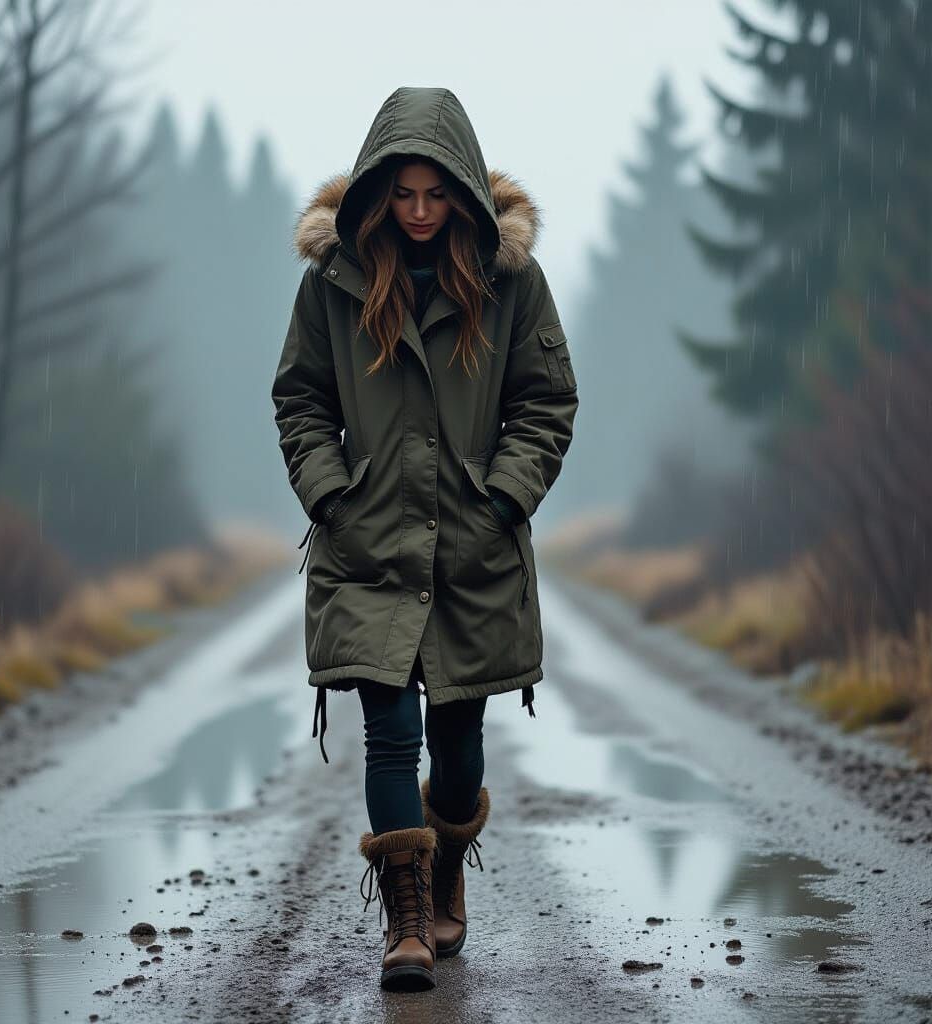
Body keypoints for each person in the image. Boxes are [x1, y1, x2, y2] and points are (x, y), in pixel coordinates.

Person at [271, 85, 579, 991]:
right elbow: (299, 400)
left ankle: (445, 864)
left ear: (461, 195)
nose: (415, 213)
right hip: (364, 547)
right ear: (374, 191)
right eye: (400, 194)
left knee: (459, 741)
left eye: (432, 195)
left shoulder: (509, 281)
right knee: (389, 729)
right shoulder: (332, 285)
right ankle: (406, 921)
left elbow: (547, 403)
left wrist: (503, 500)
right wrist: (331, 495)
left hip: (473, 551)